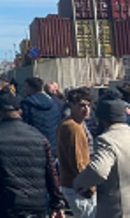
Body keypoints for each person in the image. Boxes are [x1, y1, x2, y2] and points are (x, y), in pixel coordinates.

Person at [0, 93, 66, 218]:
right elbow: (51, 170)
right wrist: (57, 201)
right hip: (38, 203)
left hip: (8, 202)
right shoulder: (38, 135)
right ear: (20, 112)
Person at [73, 99, 130, 218]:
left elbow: (98, 170)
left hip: (118, 209)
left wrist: (79, 183)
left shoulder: (107, 140)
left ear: (102, 119)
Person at [56, 87, 96, 218]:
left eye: (89, 105)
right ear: (71, 105)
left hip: (73, 184)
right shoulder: (73, 127)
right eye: (82, 105)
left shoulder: (74, 124)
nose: (86, 109)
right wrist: (88, 187)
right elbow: (78, 161)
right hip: (78, 186)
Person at [21, 76, 61, 158]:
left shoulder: (27, 103)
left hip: (36, 145)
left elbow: (25, 124)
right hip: (53, 144)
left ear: (30, 88)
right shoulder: (53, 103)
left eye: (26, 86)